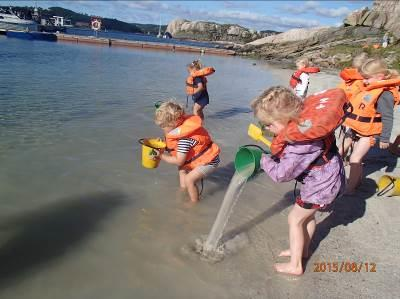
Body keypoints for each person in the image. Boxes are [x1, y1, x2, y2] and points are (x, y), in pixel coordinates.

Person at [251, 86, 346, 275]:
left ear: (286, 119)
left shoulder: (300, 143)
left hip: (320, 186)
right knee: (307, 217)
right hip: (329, 178)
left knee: (294, 219)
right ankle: (302, 251)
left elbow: (281, 174)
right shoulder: (306, 127)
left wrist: (264, 160)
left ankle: (295, 266)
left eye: (269, 124)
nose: (267, 129)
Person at [340, 58, 400, 193]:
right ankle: (357, 181)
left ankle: (350, 188)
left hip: (370, 133)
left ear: (380, 77)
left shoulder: (385, 95)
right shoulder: (369, 87)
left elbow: (388, 118)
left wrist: (385, 138)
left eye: (367, 78)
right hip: (358, 129)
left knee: (355, 158)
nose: (364, 81)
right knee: (358, 158)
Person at [153, 101, 220, 202]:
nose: (162, 128)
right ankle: (183, 190)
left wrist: (161, 156)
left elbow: (179, 160)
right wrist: (162, 145)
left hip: (210, 162)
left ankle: (194, 203)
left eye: (163, 126)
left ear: (173, 123)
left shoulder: (183, 139)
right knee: (182, 169)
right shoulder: (178, 131)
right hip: (200, 157)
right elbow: (174, 149)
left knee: (190, 179)